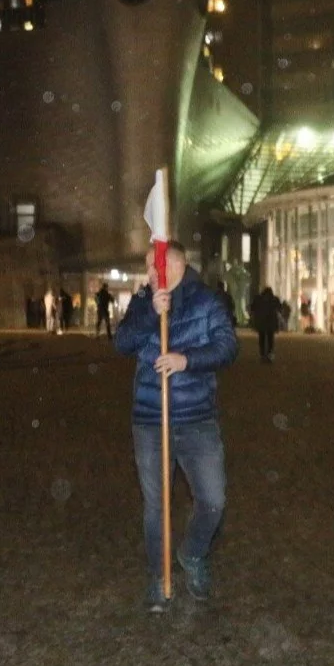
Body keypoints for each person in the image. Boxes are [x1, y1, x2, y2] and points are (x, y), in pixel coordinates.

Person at [115, 241, 238, 612]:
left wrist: (188, 360)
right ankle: (159, 577)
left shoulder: (206, 302)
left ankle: (194, 553)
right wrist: (150, 314)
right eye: (149, 270)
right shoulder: (143, 301)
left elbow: (228, 346)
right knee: (156, 506)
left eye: (156, 268)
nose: (150, 276)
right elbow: (122, 343)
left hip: (197, 418)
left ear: (176, 264)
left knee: (213, 501)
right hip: (150, 420)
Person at [251, 286, 280, 362]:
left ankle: (263, 354)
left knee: (262, 338)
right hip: (270, 322)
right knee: (270, 339)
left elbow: (253, 308)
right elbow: (279, 307)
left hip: (262, 322)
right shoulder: (274, 299)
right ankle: (269, 353)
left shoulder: (259, 299)